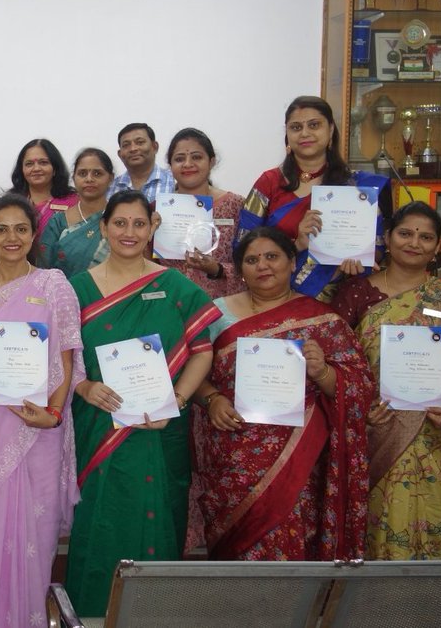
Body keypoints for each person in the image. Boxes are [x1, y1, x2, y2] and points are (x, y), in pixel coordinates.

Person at [65, 190, 219, 618]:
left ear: (153, 228)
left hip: (161, 428)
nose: (129, 232)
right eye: (119, 223)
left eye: (138, 223)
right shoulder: (75, 288)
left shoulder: (175, 286)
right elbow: (60, 356)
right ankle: (92, 617)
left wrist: (180, 398)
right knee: (100, 520)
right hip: (99, 426)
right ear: (103, 228)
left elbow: (202, 349)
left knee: (158, 520)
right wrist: (82, 387)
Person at [192, 226, 371, 562]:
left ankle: (293, 611)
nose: (263, 266)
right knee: (238, 536)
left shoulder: (322, 319)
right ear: (240, 270)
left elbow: (359, 385)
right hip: (234, 449)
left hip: (300, 456)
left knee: (291, 533)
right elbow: (193, 369)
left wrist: (323, 372)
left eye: (272, 256)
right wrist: (212, 398)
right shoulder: (216, 314)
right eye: (252, 260)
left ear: (292, 262)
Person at [0, 194, 81, 627]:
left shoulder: (53, 284)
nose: (11, 238)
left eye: (20, 229)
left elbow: (66, 355)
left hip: (38, 430)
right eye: (1, 229)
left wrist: (55, 414)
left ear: (33, 233)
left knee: (34, 541)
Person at [330, 201, 441, 560]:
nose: (414, 242)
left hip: (439, 433)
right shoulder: (356, 294)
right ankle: (372, 605)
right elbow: (336, 367)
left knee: (439, 515)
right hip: (375, 428)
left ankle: (433, 604)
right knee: (378, 518)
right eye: (405, 233)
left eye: (426, 236)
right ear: (387, 238)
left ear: (436, 248)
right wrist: (361, 411)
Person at [237, 95, 391, 302]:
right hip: (274, 299)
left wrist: (359, 258)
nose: (305, 133)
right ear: (288, 135)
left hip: (339, 300)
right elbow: (242, 246)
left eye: (314, 125)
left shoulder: (355, 187)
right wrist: (297, 244)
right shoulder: (269, 183)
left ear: (331, 130)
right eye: (296, 127)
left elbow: (378, 246)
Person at [158, 128, 246, 298]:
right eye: (179, 159)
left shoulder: (236, 205)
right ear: (170, 166)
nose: (188, 164)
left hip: (225, 305)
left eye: (196, 157)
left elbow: (250, 261)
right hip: (172, 302)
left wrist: (217, 269)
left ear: (211, 161)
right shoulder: (158, 209)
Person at [40, 147, 114, 278]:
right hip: (64, 296)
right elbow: (43, 269)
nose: (89, 179)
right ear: (74, 178)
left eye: (97, 173)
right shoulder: (58, 222)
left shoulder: (119, 219)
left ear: (111, 178)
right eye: (82, 173)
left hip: (114, 295)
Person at [7, 138, 78, 236]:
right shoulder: (9, 203)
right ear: (22, 170)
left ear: (55, 168)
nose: (36, 168)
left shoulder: (74, 203)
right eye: (29, 164)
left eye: (43, 162)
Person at [107, 123, 175, 201]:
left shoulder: (174, 181)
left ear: (155, 147)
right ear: (120, 154)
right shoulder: (110, 188)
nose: (133, 149)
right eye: (126, 145)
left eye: (140, 142)